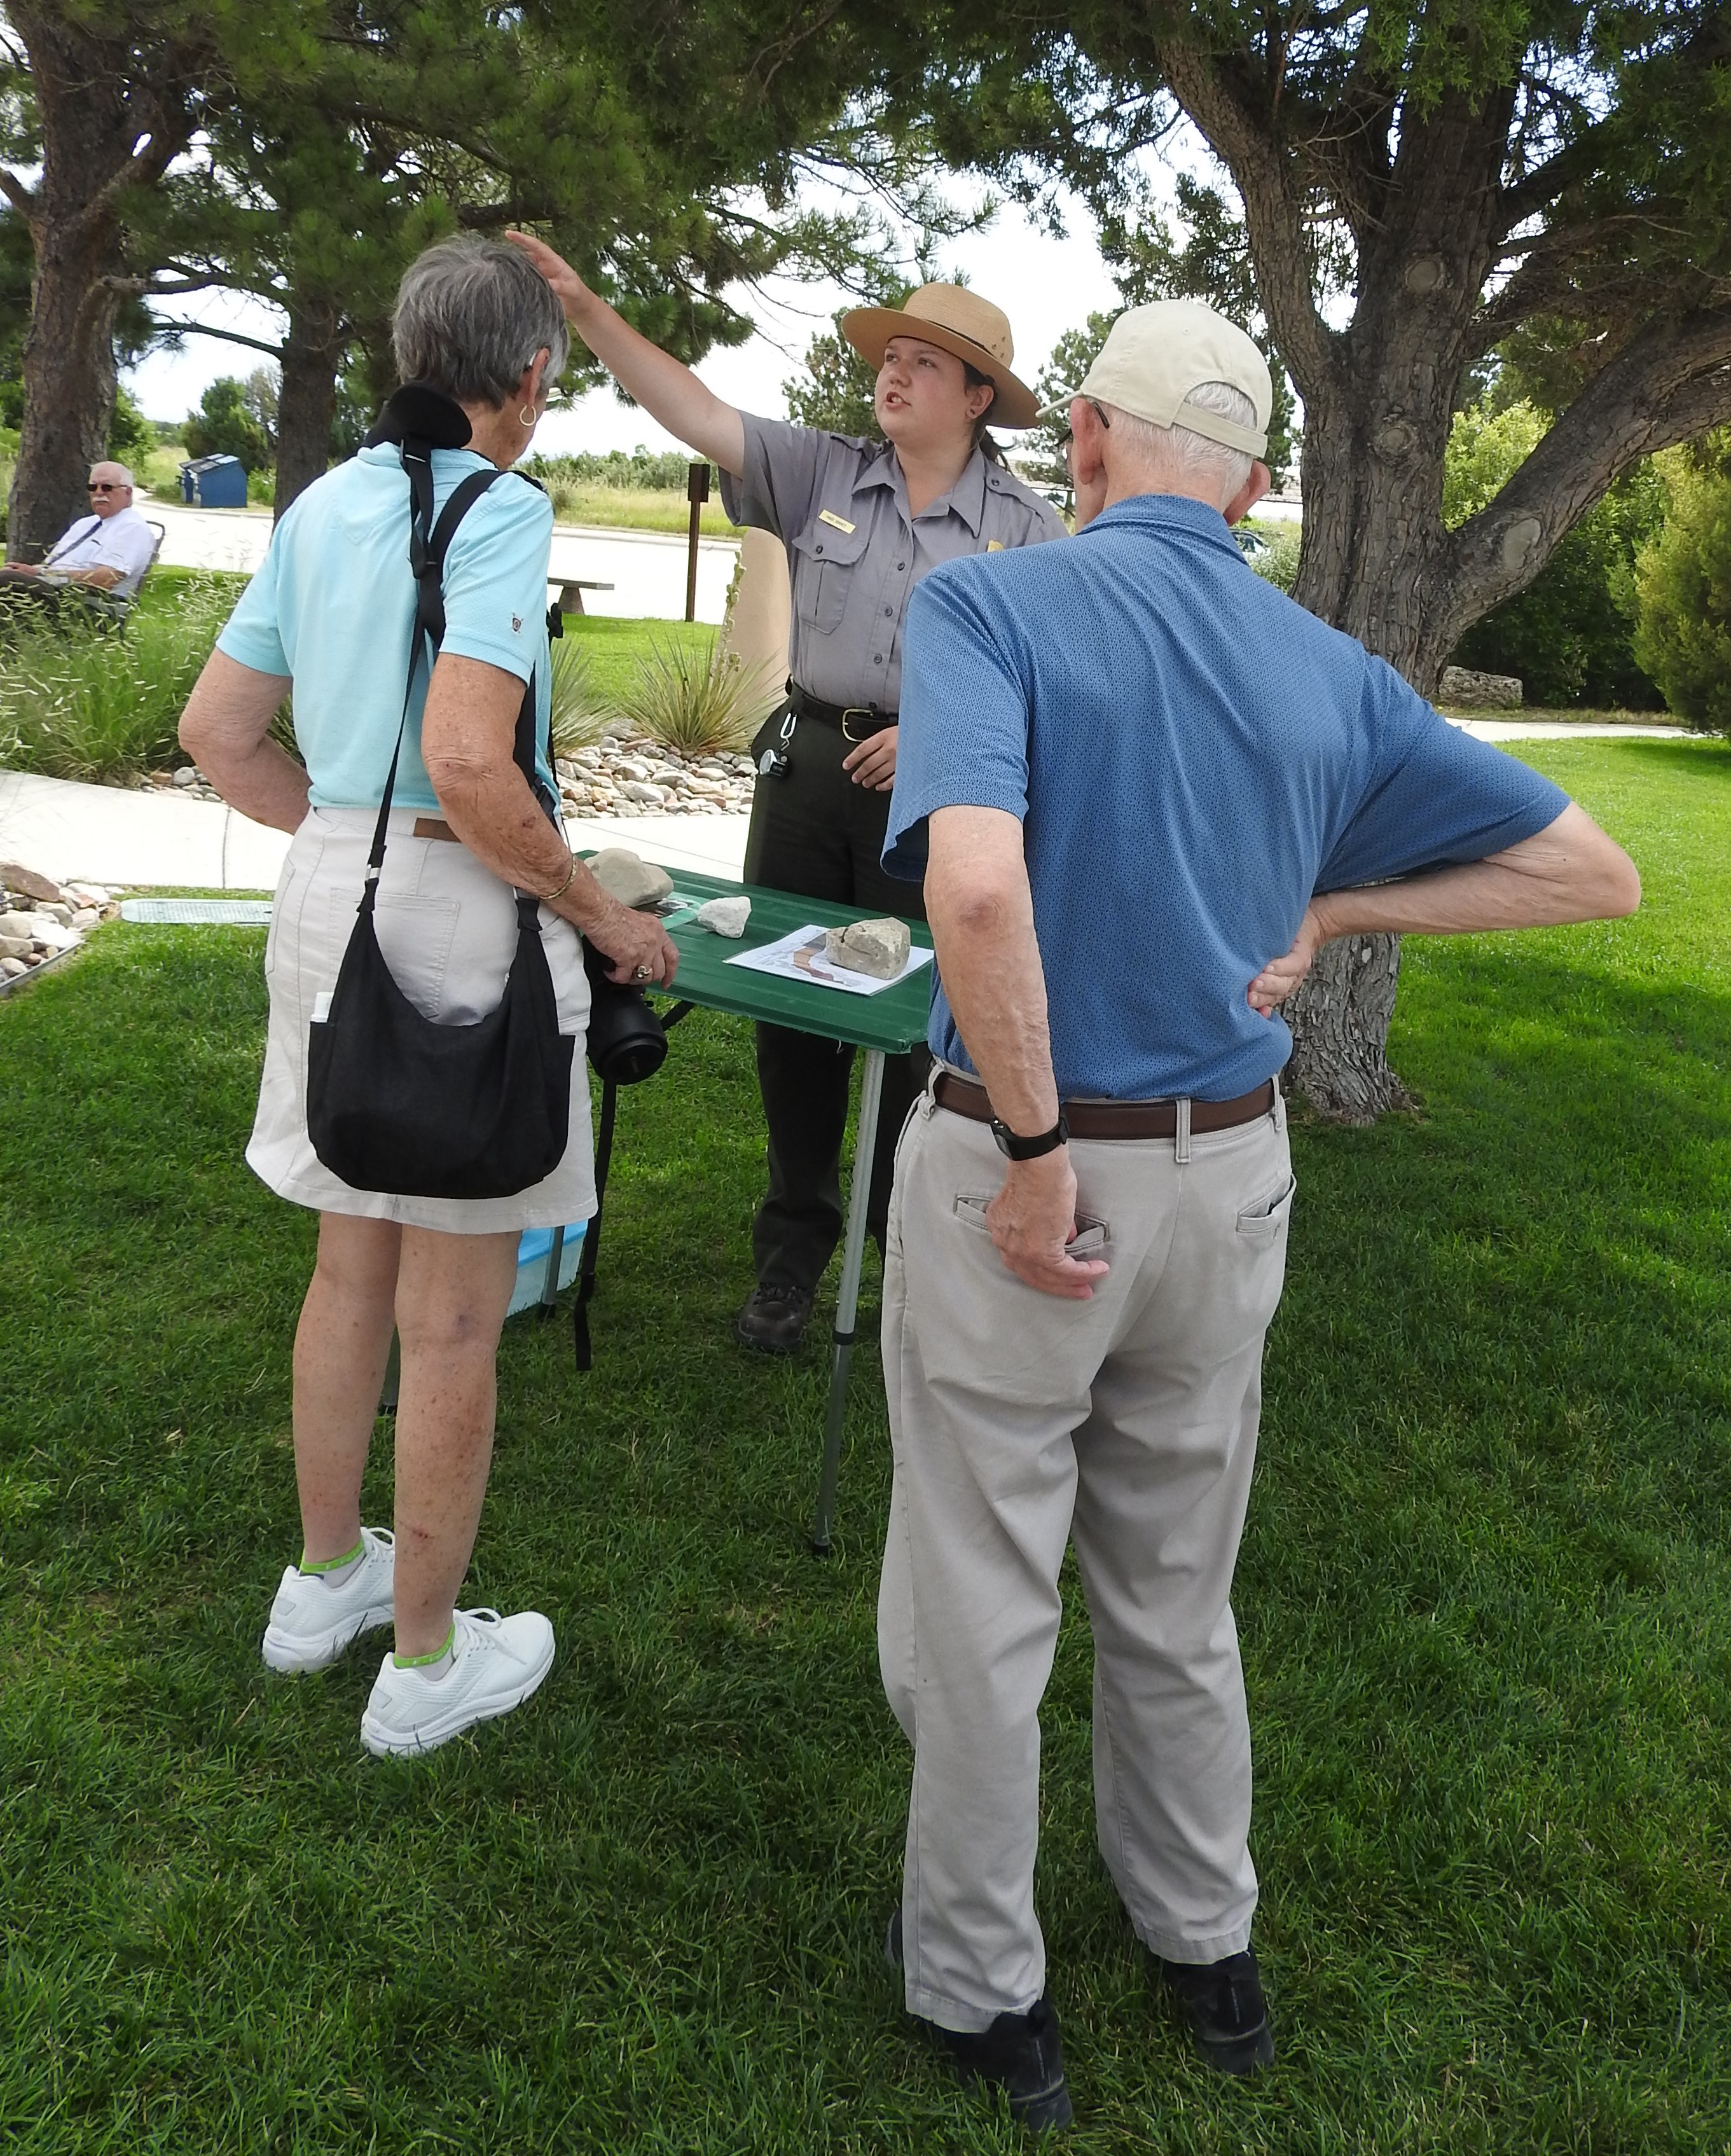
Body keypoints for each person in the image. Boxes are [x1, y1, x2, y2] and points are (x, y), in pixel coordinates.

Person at [874, 300, 1642, 2131]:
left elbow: (974, 896)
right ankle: (1204, 1936)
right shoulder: (1330, 669)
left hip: (1022, 1167)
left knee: (982, 1593)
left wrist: (1045, 1148)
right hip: (1230, 1174)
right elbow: (1588, 869)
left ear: (1083, 435)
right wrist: (1337, 914)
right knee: (1175, 1574)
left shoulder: (990, 604)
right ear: (1254, 482)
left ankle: (988, 1993)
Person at [179, 235, 679, 1760]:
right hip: (459, 910)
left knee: (349, 1273)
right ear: (530, 375)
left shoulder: (325, 500)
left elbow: (216, 728)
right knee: (454, 1316)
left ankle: (322, 1578)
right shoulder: (497, 504)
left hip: (331, 887)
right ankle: (420, 1657)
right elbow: (470, 761)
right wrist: (596, 908)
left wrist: (342, 834)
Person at [507, 230, 1067, 1355]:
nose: (891, 374)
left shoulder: (1028, 530)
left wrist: (939, 733)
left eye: (922, 361)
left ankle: (906, 1250)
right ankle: (792, 1259)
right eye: (889, 354)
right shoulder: (818, 470)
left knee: (921, 1029)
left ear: (975, 397)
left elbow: (1048, 694)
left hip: (939, 793)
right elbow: (696, 411)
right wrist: (588, 312)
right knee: (793, 1024)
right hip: (808, 773)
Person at [1, 460, 156, 610]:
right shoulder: (85, 524)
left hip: (91, 603)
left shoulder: (132, 527)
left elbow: (106, 579)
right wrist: (28, 571)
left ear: (128, 492)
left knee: (7, 580)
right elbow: (51, 566)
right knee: (8, 575)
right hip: (56, 592)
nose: (98, 493)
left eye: (107, 487)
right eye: (92, 487)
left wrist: (40, 574)